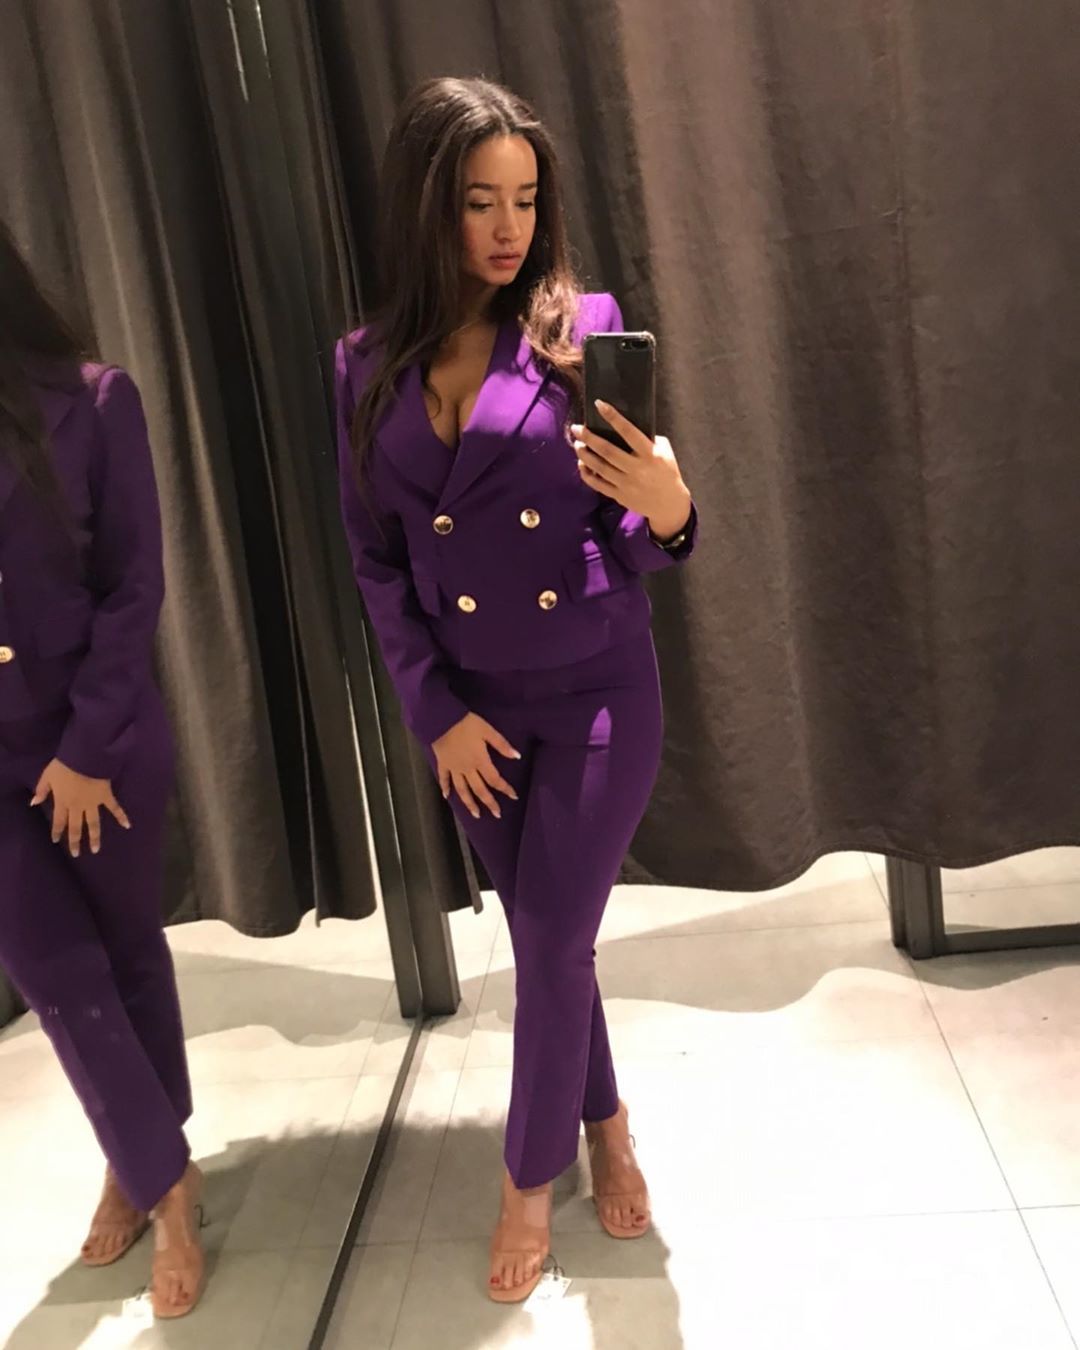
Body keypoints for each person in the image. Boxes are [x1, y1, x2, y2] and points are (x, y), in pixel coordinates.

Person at [335, 77, 697, 1303]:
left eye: (526, 199)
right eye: (479, 200)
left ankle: (526, 1185)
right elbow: (377, 562)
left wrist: (672, 512)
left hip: (595, 690)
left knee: (544, 941)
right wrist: (435, 713)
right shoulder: (360, 366)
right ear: (426, 205)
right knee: (558, 941)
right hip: (475, 719)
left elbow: (634, 536)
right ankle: (607, 1126)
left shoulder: (579, 331)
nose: (508, 227)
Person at [0, 224, 205, 1319]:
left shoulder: (92, 399)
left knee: (126, 955)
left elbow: (134, 589)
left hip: (98, 741)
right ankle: (163, 1177)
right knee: (54, 972)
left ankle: (147, 1171)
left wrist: (82, 751)